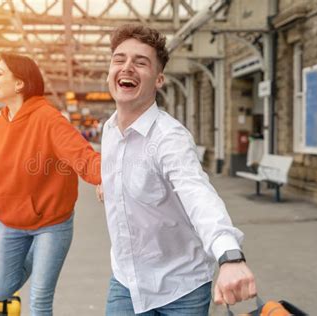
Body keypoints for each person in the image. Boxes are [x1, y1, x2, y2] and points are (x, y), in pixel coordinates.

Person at [97, 24, 256, 315]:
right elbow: (126, 171)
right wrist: (111, 185)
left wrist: (229, 256)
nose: (127, 67)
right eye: (119, 59)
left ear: (159, 79)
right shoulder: (108, 129)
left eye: (140, 62)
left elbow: (197, 194)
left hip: (180, 287)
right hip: (126, 280)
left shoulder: (168, 138)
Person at [0, 53, 101, 315]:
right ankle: (37, 253)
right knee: (0, 290)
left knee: (39, 299)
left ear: (20, 84)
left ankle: (43, 250)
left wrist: (106, 176)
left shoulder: (49, 119)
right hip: (10, 221)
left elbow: (82, 156)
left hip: (51, 223)